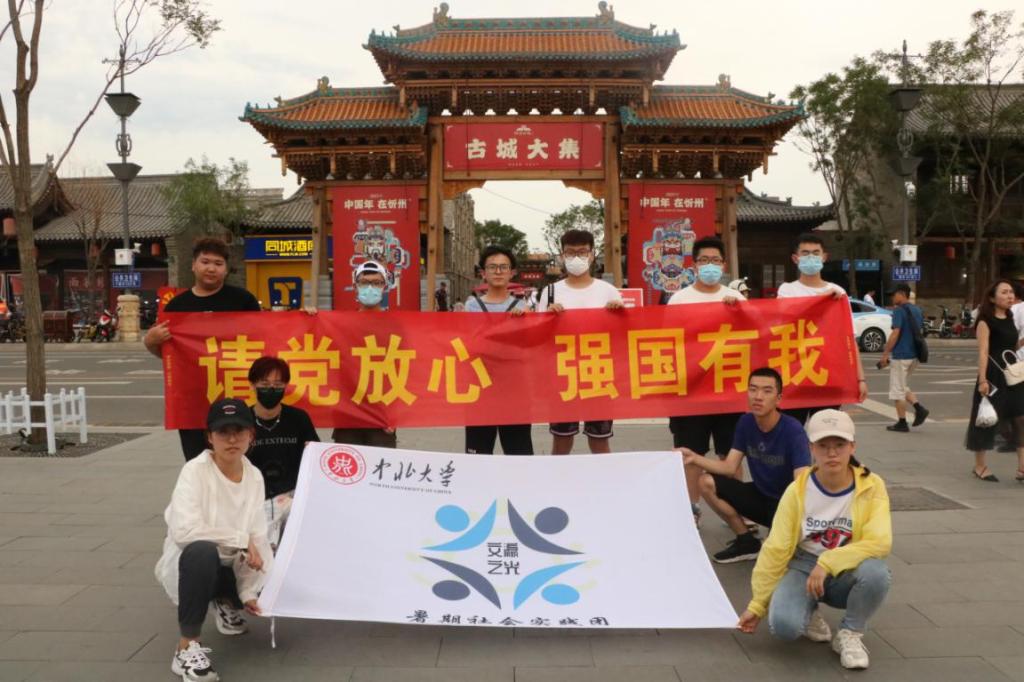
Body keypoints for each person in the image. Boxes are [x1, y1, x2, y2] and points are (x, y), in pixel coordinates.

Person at [737, 409, 892, 671]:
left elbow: (880, 541)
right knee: (784, 628)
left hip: (847, 567)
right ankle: (808, 609)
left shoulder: (872, 485)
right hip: (804, 564)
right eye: (823, 445)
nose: (832, 453)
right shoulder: (797, 490)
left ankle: (850, 633)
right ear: (811, 448)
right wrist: (758, 604)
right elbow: (776, 548)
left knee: (877, 573)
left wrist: (828, 562)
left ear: (852, 446)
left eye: (839, 445)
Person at [155, 398, 272, 682]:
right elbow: (185, 532)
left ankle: (226, 601)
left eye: (239, 431)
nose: (232, 440)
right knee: (202, 552)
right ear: (209, 437)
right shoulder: (194, 471)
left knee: (270, 566)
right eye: (223, 432)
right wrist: (240, 538)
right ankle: (186, 648)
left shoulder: (254, 476)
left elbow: (257, 534)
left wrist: (248, 592)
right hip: (191, 564)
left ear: (251, 435)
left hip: (231, 563)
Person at [145, 237, 261, 461]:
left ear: (226, 269)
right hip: (194, 401)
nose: (211, 268)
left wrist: (307, 320)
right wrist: (150, 341)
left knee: (242, 462)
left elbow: (267, 340)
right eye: (205, 262)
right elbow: (171, 357)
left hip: (236, 395)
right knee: (199, 464)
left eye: (218, 263)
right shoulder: (177, 307)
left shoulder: (243, 301)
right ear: (193, 265)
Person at [680, 367, 811, 563]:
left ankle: (781, 537)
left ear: (778, 398)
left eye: (767, 391)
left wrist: (783, 527)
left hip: (787, 506)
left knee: (776, 561)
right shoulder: (746, 422)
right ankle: (746, 542)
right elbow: (729, 467)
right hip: (760, 497)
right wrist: (694, 458)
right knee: (705, 482)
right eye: (753, 389)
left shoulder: (793, 430)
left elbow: (801, 484)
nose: (758, 396)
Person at [667, 236, 745, 519]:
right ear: (694, 265)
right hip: (690, 392)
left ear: (723, 265)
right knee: (689, 454)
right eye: (704, 260)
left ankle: (737, 508)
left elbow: (754, 338)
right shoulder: (679, 299)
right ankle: (692, 510)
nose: (709, 265)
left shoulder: (736, 299)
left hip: (729, 390)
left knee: (731, 453)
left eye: (715, 260)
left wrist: (739, 313)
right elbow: (666, 341)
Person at [537, 229, 624, 454]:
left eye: (582, 252)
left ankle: (604, 478)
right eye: (570, 252)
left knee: (599, 439)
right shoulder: (550, 292)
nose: (576, 257)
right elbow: (538, 337)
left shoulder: (608, 291)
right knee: (562, 439)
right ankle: (559, 477)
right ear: (562, 256)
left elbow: (622, 335)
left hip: (598, 372)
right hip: (563, 373)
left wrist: (618, 315)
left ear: (592, 254)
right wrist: (548, 317)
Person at [776, 233, 869, 423]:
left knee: (825, 432)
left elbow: (849, 340)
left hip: (829, 377)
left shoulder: (839, 293)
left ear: (824, 257)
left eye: (815, 253)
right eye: (805, 253)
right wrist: (823, 301)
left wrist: (860, 379)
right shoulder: (786, 290)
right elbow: (786, 324)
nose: (811, 257)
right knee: (792, 432)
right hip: (796, 377)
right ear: (795, 258)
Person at [464, 245, 534, 455]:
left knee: (519, 454)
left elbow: (532, 347)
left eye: (503, 267)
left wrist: (526, 323)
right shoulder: (471, 307)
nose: (498, 271)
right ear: (483, 273)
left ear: (512, 273)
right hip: (480, 389)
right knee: (478, 455)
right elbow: (464, 344)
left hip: (515, 390)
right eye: (492, 267)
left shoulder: (523, 308)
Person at [246, 356, 319, 548]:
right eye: (264, 384)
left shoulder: (299, 418)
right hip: (253, 501)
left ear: (286, 386)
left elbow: (315, 459)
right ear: (252, 385)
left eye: (278, 384)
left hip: (293, 499)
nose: (271, 389)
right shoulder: (242, 421)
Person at [332, 261, 398, 448]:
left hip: (382, 415)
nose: (370, 287)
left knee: (381, 464)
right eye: (364, 282)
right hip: (347, 414)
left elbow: (406, 370)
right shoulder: (339, 325)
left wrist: (396, 414)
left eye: (376, 283)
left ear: (385, 287)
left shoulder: (396, 326)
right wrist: (308, 319)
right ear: (355, 287)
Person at [966, 279, 1024, 482]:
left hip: (1012, 373)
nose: (1010, 296)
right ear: (992, 298)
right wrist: (983, 380)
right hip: (993, 373)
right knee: (986, 418)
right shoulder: (985, 321)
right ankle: (980, 465)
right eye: (1004, 292)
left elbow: (1012, 346)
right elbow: (983, 352)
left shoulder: (1009, 317)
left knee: (1020, 417)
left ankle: (1022, 468)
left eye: (1011, 292)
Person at [878, 283, 928, 432]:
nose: (892, 298)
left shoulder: (899, 311)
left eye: (894, 294)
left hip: (901, 355)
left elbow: (895, 333)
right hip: (915, 355)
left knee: (897, 391)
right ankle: (919, 409)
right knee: (902, 385)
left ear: (902, 294)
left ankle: (902, 423)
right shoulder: (917, 310)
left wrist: (885, 354)